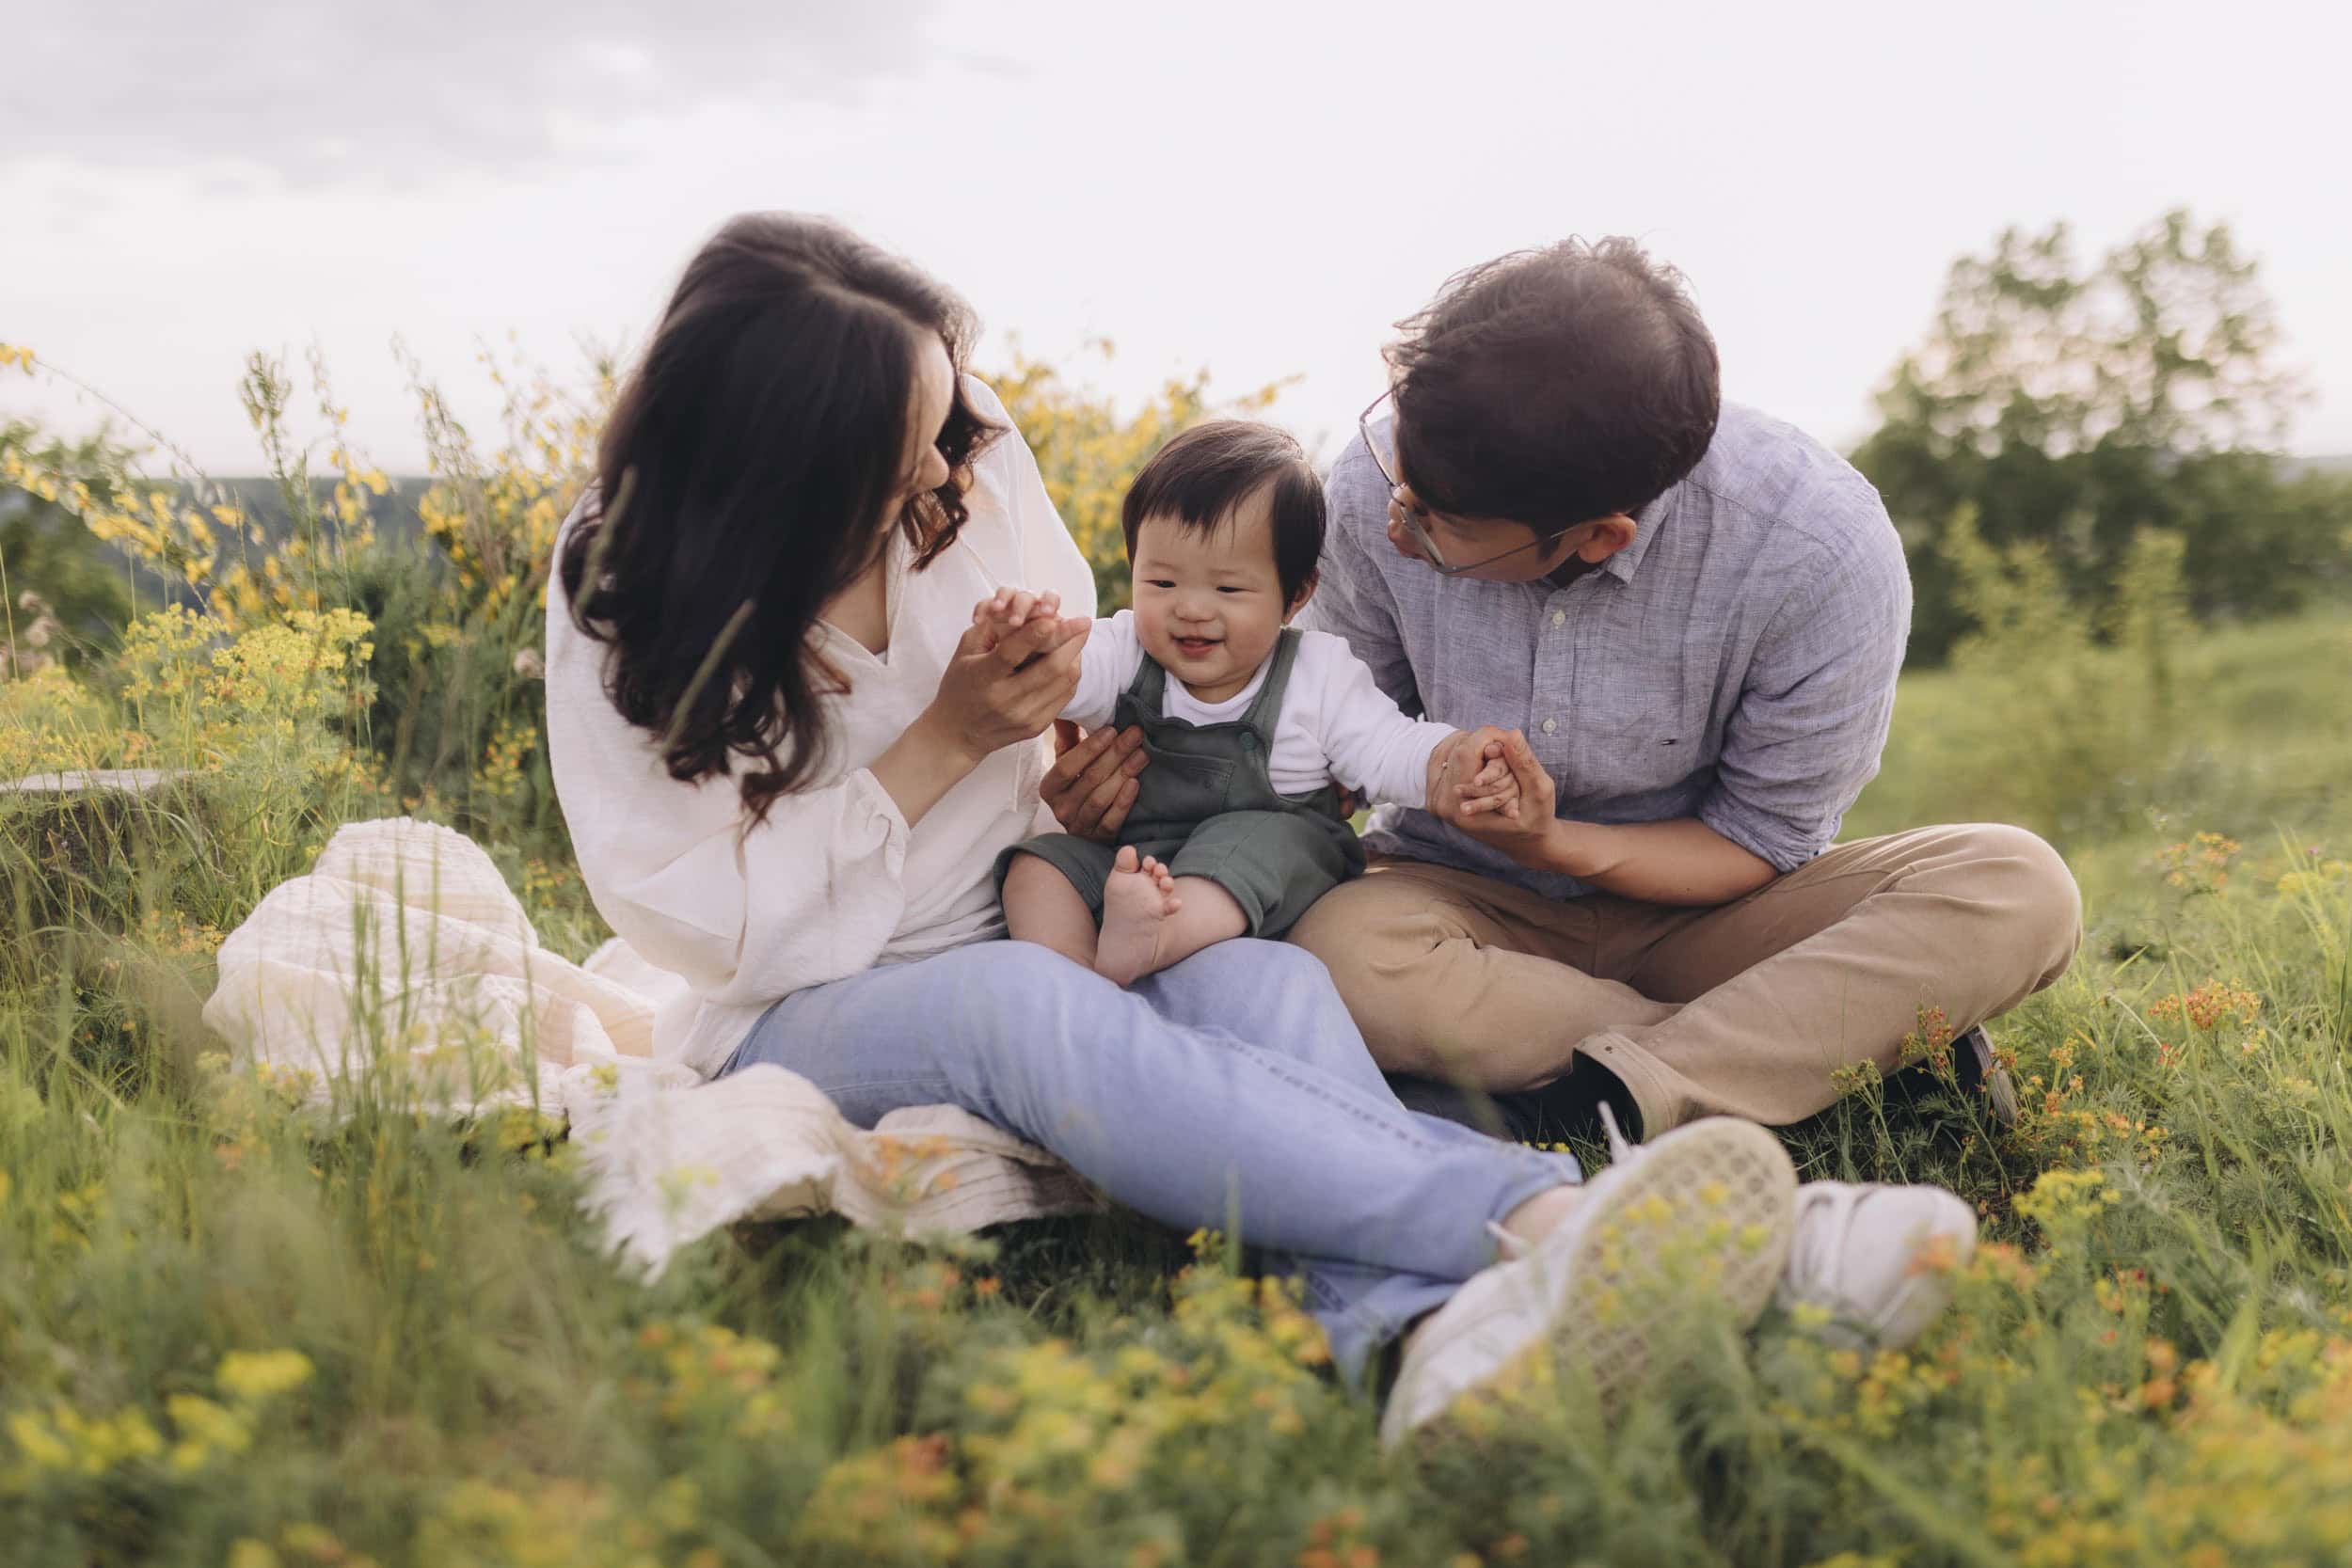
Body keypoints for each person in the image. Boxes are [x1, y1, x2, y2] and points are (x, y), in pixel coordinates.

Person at [543, 213, 1977, 1447]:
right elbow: (708, 923)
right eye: (915, 448)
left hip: (1043, 891)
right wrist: (951, 742)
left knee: (1268, 982)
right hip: (804, 994)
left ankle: (1426, 1348)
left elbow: (1095, 685)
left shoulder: (965, 469)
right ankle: (1588, 1225)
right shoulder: (630, 594)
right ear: (790, 477)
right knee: (1022, 1009)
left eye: (953, 418)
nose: (956, 468)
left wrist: (1072, 773)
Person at [1043, 237, 2083, 1145]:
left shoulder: (1817, 555)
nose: (1395, 521)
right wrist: (1151, 784)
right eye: (1393, 473)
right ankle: (1799, 1047)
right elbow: (1324, 746)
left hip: (1710, 909)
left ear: (1595, 536)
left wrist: (1551, 842)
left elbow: (1761, 840)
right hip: (1454, 901)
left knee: (2017, 885)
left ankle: (1620, 1084)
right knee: (1338, 956)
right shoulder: (1376, 486)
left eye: (1438, 527)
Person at [990, 420, 1518, 987]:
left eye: (1228, 590)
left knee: (1244, 846)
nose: (1191, 609)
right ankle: (1071, 984)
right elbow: (1070, 668)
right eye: (1162, 584)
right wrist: (1031, 642)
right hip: (1139, 860)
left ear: (1296, 595)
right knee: (1036, 866)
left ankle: (1152, 939)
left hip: (1271, 857)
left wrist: (1452, 761)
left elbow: (1385, 745)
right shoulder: (1123, 651)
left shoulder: (1317, 675)